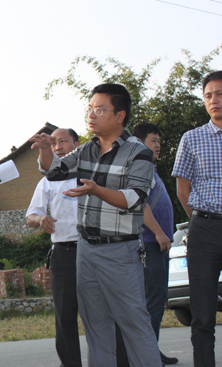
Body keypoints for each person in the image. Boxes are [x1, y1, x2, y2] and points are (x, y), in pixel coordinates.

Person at [30, 83, 162, 366]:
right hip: (86, 250)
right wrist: (44, 150)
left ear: (120, 115)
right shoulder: (87, 149)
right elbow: (55, 171)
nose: (91, 115)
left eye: (100, 110)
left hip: (120, 252)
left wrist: (96, 189)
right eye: (90, 108)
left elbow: (136, 199)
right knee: (96, 327)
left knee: (135, 327)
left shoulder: (138, 153)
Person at [115, 122, 178, 366]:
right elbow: (140, 204)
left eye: (159, 141)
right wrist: (160, 233)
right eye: (154, 140)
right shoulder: (141, 169)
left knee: (156, 298)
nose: (158, 145)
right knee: (152, 298)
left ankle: (151, 349)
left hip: (157, 244)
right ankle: (145, 354)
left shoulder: (151, 169)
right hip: (150, 243)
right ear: (140, 143)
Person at [172, 70, 222, 367]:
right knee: (202, 313)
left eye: (219, 94)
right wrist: (201, 220)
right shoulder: (192, 138)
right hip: (204, 229)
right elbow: (182, 190)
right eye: (208, 95)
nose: (214, 100)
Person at [26, 128, 82, 367]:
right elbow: (31, 216)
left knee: (102, 314)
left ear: (77, 144)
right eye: (54, 143)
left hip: (93, 250)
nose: (58, 147)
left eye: (63, 141)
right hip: (63, 254)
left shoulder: (91, 172)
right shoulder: (47, 181)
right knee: (65, 316)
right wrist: (41, 220)